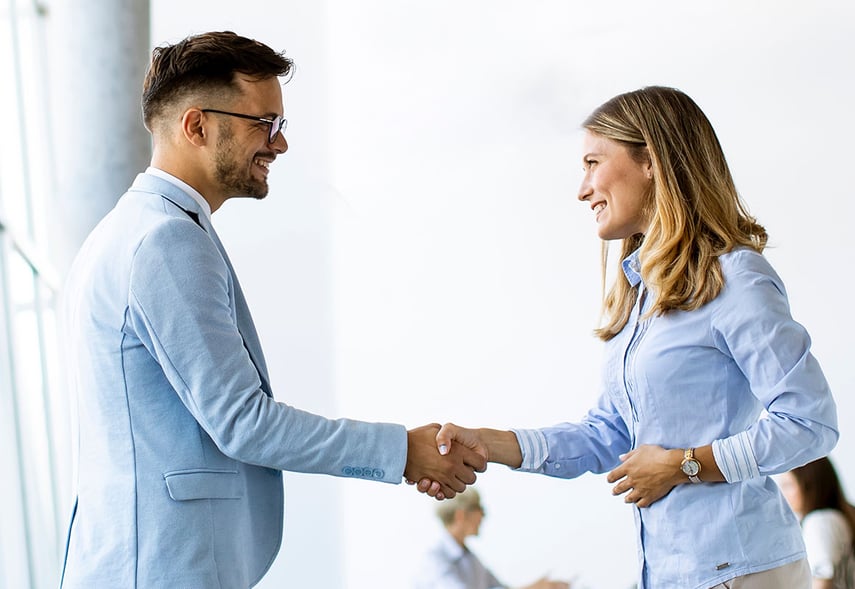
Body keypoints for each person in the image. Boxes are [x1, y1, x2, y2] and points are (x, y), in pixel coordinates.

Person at [58, 30, 485, 589]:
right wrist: (401, 451)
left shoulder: (121, 232)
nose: (279, 144)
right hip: (162, 569)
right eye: (265, 123)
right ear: (197, 126)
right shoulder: (165, 241)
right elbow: (242, 422)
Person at [418, 86, 839, 588]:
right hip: (668, 573)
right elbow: (607, 434)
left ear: (651, 162)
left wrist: (683, 465)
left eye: (592, 163)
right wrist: (489, 444)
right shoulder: (641, 300)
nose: (582, 190)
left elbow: (810, 422)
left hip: (742, 569)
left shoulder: (735, 279)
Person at [414, 489, 571, 589]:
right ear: (461, 515)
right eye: (479, 509)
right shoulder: (435, 559)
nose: (483, 515)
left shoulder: (471, 559)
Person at [779, 457, 855, 589]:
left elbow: (822, 580)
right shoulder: (839, 516)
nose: (782, 494)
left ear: (809, 485)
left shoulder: (819, 522)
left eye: (788, 485)